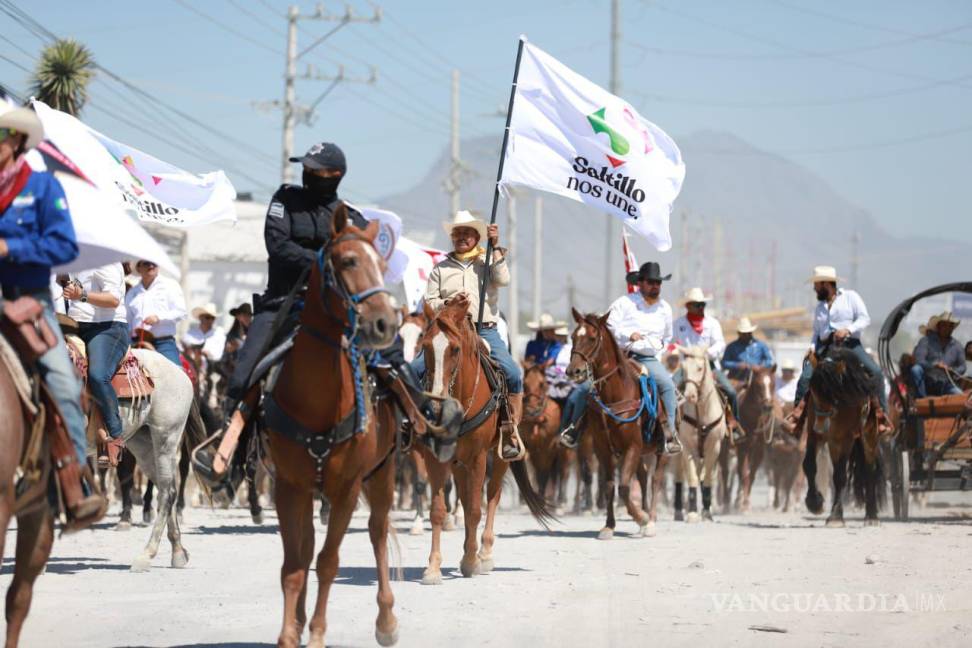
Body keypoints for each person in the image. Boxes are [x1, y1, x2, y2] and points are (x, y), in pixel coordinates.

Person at [197, 143, 440, 482]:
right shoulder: (285, 200)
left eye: (316, 171)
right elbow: (277, 245)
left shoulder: (350, 216)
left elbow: (365, 258)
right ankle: (227, 448)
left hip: (337, 309)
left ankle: (422, 421)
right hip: (282, 304)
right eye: (307, 169)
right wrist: (324, 262)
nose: (308, 175)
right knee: (244, 372)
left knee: (392, 356)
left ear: (334, 176)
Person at [0, 103, 103, 524]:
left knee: (62, 379)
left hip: (29, 300)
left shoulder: (41, 188)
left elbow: (64, 247)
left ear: (16, 141)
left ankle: (74, 481)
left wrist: (12, 248)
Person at [413, 209, 524, 460]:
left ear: (477, 237)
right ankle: (413, 423)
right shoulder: (440, 268)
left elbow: (503, 279)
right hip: (448, 328)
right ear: (452, 237)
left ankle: (509, 431)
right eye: (458, 233)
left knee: (513, 373)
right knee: (413, 369)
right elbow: (429, 299)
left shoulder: (487, 262)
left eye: (467, 233)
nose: (461, 237)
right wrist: (449, 303)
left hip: (483, 328)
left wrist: (495, 246)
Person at [560, 261, 681, 454]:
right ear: (640, 283)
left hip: (649, 358)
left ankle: (669, 433)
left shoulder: (665, 308)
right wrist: (629, 335)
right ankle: (574, 429)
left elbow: (667, 337)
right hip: (621, 356)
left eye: (658, 282)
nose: (655, 286)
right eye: (651, 282)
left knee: (666, 384)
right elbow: (607, 328)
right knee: (586, 388)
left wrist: (656, 348)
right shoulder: (624, 303)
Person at [784, 265, 889, 432]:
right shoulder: (819, 307)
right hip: (826, 347)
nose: (814, 288)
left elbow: (864, 319)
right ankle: (798, 417)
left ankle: (880, 415)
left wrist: (847, 330)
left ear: (826, 284)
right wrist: (812, 347)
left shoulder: (850, 297)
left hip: (850, 345)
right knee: (805, 378)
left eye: (817, 285)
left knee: (875, 372)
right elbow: (816, 332)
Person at [63, 262, 130, 466]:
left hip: (108, 329)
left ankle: (115, 436)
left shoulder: (107, 261)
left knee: (97, 375)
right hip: (74, 325)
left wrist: (80, 295)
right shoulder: (76, 259)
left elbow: (113, 299)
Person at [670, 286, 741, 437]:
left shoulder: (712, 323)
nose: (701, 307)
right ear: (688, 306)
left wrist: (707, 353)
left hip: (710, 365)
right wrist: (674, 349)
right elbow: (670, 343)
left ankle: (733, 424)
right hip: (687, 367)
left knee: (731, 392)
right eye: (697, 305)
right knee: (669, 389)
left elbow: (720, 344)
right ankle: (668, 426)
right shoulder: (678, 324)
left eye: (703, 304)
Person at [125, 259, 187, 365]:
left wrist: (158, 317)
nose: (151, 266)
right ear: (139, 268)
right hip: (136, 342)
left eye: (154, 263)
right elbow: (127, 321)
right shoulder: (132, 293)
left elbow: (181, 312)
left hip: (163, 343)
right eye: (146, 263)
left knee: (176, 375)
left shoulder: (170, 285)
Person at [910, 311, 965, 396]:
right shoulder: (926, 341)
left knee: (960, 396)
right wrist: (934, 365)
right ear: (938, 326)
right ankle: (922, 399)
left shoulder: (957, 346)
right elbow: (919, 360)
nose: (947, 328)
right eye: (944, 325)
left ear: (952, 328)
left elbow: (962, 367)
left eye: (950, 326)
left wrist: (951, 370)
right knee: (916, 369)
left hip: (946, 384)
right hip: (926, 381)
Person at [721, 317, 774, 381]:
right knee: (729, 389)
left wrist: (760, 367)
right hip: (737, 378)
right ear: (739, 333)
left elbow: (769, 360)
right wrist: (737, 365)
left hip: (757, 377)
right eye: (744, 334)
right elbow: (724, 363)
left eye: (749, 333)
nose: (747, 335)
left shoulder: (761, 345)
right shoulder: (731, 347)